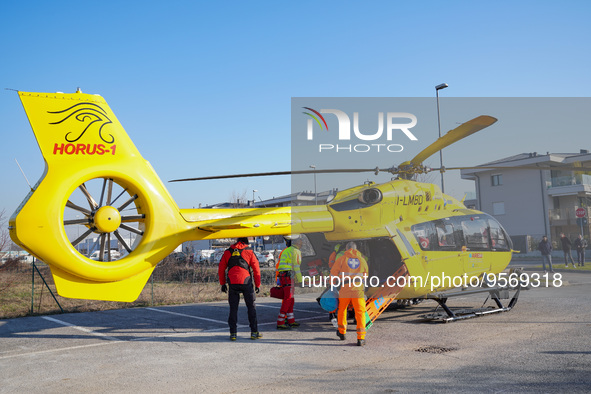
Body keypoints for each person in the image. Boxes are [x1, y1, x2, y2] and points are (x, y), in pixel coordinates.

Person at [218, 237, 262, 341]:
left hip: (232, 283)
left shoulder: (227, 252)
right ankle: (254, 332)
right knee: (251, 307)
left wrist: (223, 283)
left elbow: (221, 269)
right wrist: (258, 285)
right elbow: (256, 270)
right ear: (246, 243)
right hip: (246, 282)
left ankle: (233, 334)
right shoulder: (249, 252)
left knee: (233, 309)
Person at [330, 241, 369, 346]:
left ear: (347, 249)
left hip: (345, 289)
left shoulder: (341, 259)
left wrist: (332, 285)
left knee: (342, 310)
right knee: (360, 312)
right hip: (358, 290)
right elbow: (365, 276)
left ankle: (342, 333)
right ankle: (361, 338)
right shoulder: (362, 260)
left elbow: (333, 273)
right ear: (356, 249)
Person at [275, 236, 303, 329]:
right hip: (288, 276)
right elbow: (296, 267)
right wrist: (300, 280)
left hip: (284, 276)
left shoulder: (286, 250)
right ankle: (280, 322)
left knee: (290, 299)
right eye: (301, 241)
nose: (302, 243)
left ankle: (291, 320)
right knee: (288, 299)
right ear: (297, 243)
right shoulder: (296, 251)